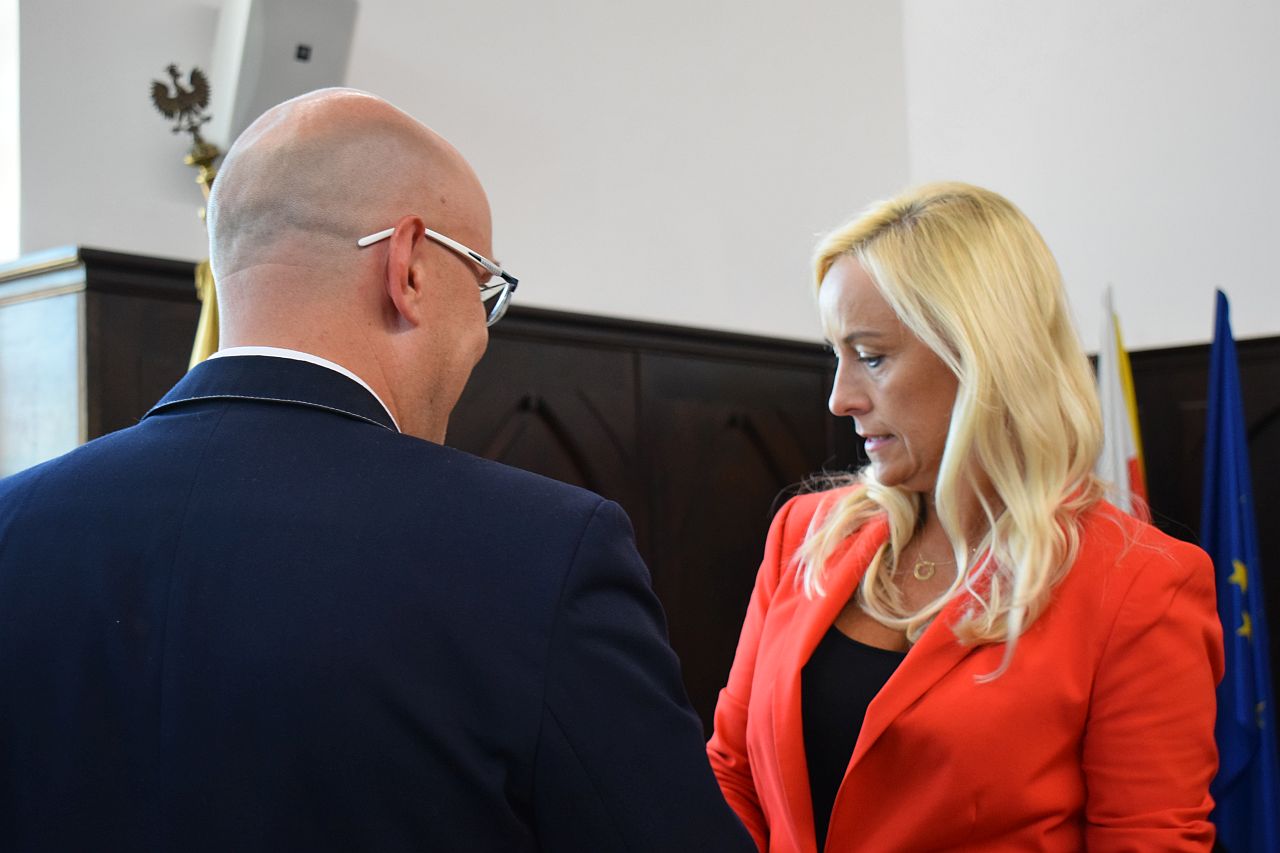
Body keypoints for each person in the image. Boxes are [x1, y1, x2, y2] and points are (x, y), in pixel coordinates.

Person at [0, 89, 754, 853]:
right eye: (485, 287)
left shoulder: (14, 524)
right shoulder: (538, 552)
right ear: (410, 266)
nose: (483, 332)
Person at [707, 182, 1224, 852]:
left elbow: (1146, 840)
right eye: (836, 356)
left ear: (982, 358)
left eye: (871, 356)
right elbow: (734, 773)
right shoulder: (803, 533)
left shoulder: (1142, 586)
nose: (839, 397)